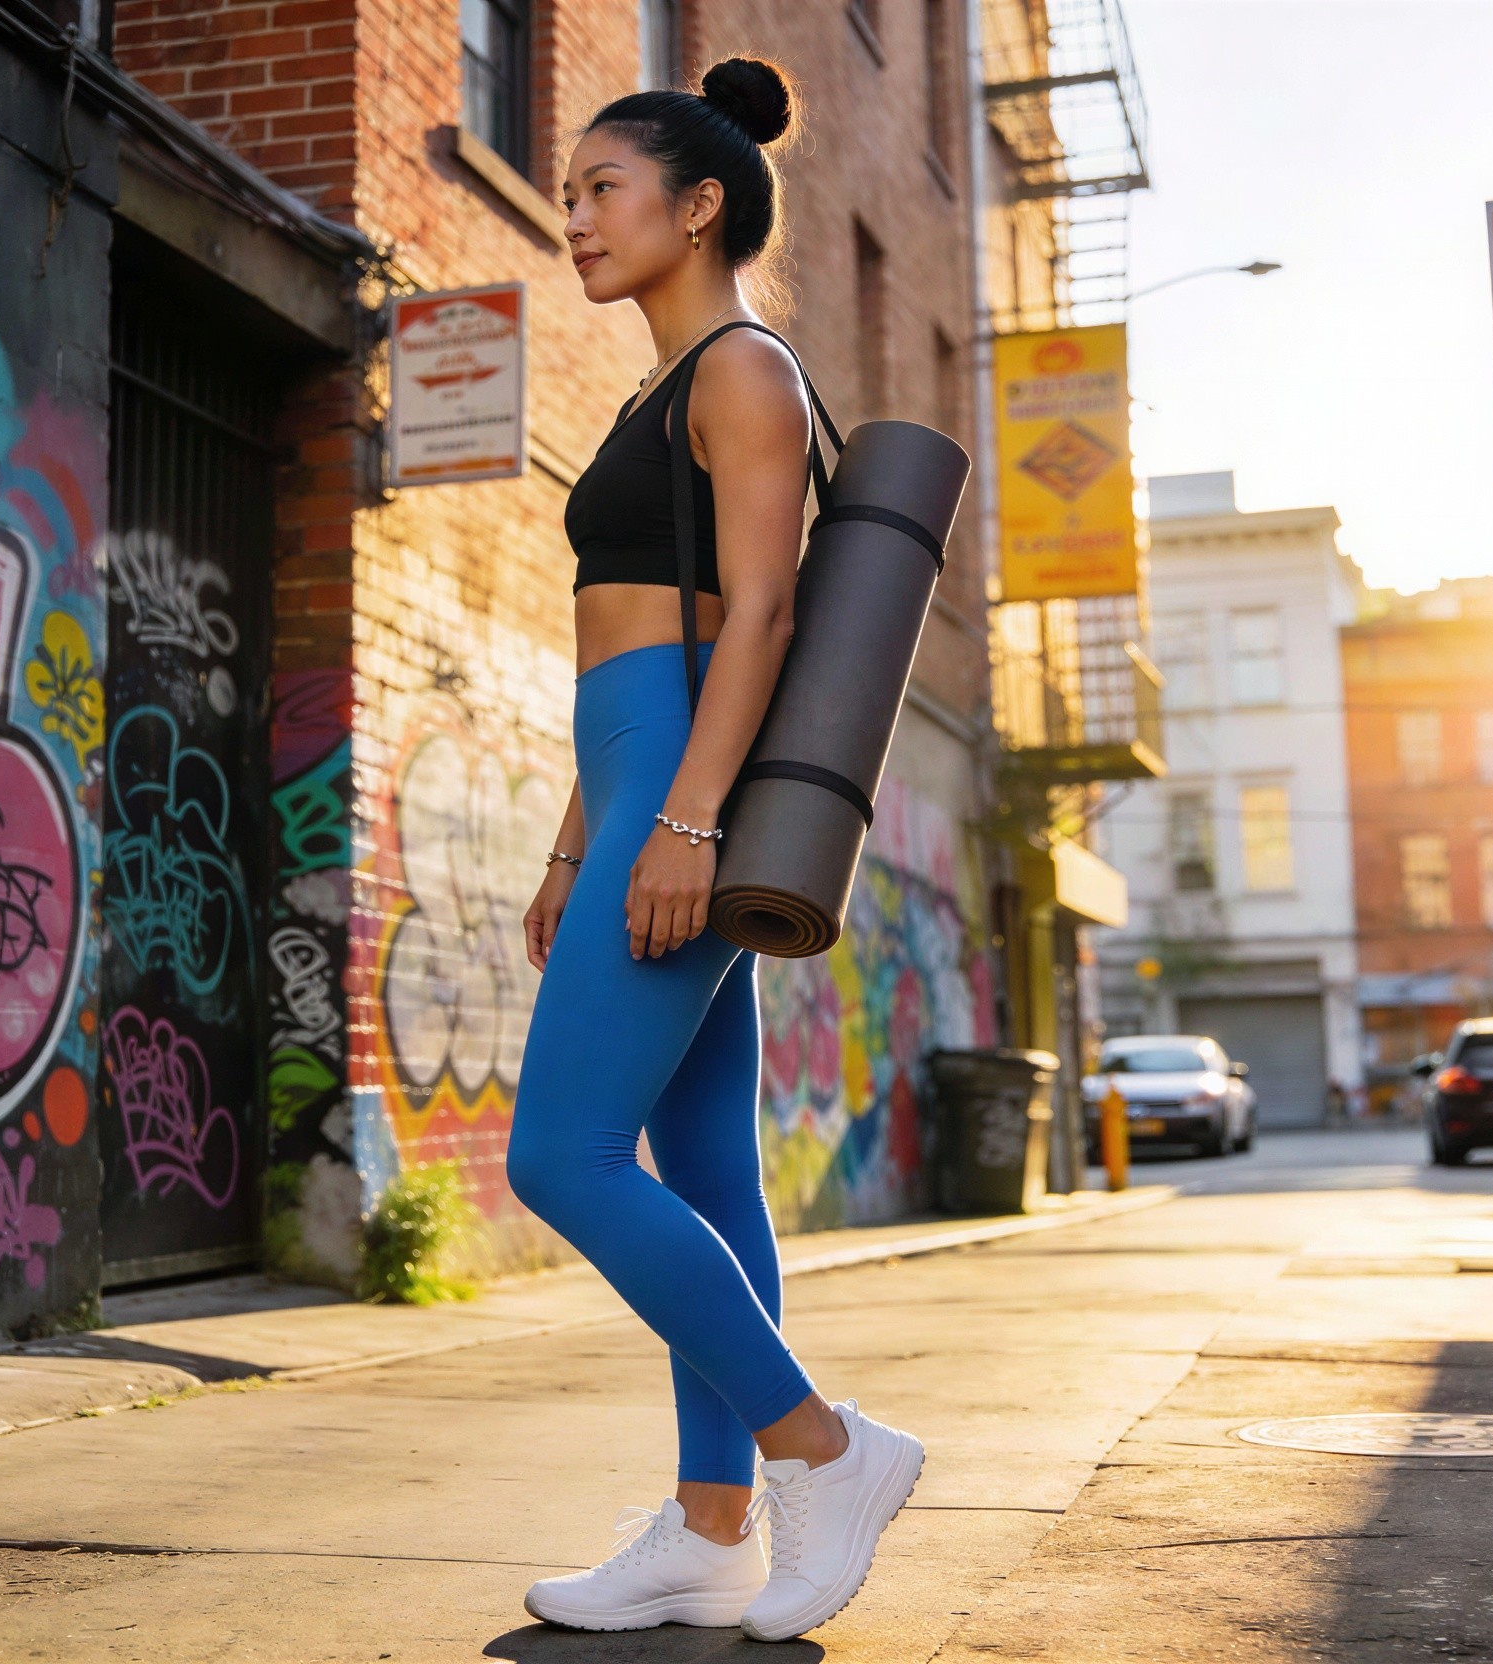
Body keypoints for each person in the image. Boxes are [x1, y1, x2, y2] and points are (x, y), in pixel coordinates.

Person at [504, 58, 925, 1643]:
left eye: (602, 190)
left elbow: (755, 616)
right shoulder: (657, 388)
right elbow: (628, 648)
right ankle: (709, 1525)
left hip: (684, 793)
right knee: (705, 1173)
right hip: (636, 786)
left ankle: (826, 1446)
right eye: (566, 196)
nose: (577, 220)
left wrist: (678, 822)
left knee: (561, 1156)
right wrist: (573, 845)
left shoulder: (742, 372)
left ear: (697, 204)